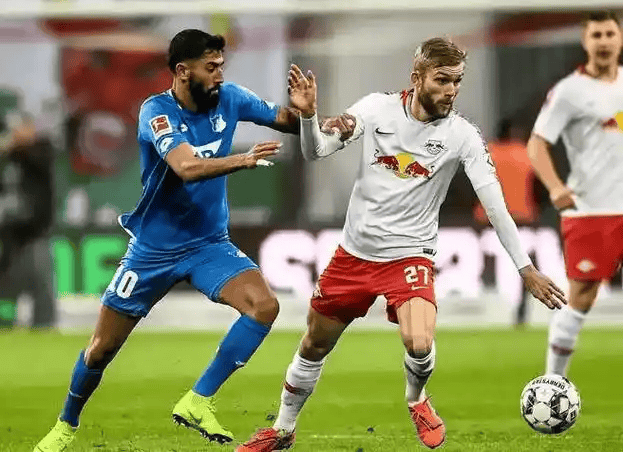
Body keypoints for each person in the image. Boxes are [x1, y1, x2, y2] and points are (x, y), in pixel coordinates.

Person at [237, 37, 566, 451]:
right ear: (417, 77)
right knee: (314, 344)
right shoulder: (376, 109)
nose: (451, 90)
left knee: (419, 341)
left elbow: (495, 205)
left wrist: (526, 268)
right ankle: (283, 430)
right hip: (354, 255)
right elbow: (316, 152)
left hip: (410, 255)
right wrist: (308, 117)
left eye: (457, 81)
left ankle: (417, 399)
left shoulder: (463, 135)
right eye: (442, 80)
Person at [34, 29, 300, 452]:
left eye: (221, 66)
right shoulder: (156, 112)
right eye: (211, 67)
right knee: (101, 349)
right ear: (183, 71)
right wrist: (242, 160)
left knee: (264, 306)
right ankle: (66, 424)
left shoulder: (231, 98)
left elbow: (287, 120)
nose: (219, 75)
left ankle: (198, 400)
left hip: (208, 245)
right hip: (153, 252)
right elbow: (186, 167)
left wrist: (306, 112)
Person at [527, 11, 623, 379]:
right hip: (590, 210)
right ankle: (553, 381)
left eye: (609, 34)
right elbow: (537, 144)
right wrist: (555, 186)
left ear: (619, 39)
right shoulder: (570, 91)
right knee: (581, 297)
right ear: (585, 42)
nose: (603, 41)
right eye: (596, 35)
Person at [473, 118, 540, 326]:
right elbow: (539, 186)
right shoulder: (525, 154)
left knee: (490, 263)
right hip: (521, 218)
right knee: (524, 263)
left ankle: (492, 305)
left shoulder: (487, 153)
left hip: (488, 219)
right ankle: (521, 306)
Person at [0, 104, 55, 329]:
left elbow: (38, 160)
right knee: (6, 286)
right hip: (8, 234)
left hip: (34, 233)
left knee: (40, 284)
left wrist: (13, 147)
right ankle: (4, 324)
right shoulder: (7, 160)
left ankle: (44, 327)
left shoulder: (42, 150)